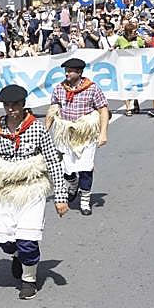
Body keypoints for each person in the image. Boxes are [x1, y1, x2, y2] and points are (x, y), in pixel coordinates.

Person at [0, 84, 69, 299]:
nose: (11, 109)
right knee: (3, 239)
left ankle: (29, 280)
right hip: (5, 189)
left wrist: (60, 197)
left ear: (23, 105)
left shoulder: (37, 129)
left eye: (15, 104)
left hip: (31, 188)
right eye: (7, 105)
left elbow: (53, 162)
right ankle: (17, 255)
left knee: (27, 238)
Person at [45, 58, 109, 216]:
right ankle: (73, 185)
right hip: (66, 133)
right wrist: (44, 132)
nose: (67, 73)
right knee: (65, 169)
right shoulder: (60, 88)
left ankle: (85, 200)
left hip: (85, 134)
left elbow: (103, 110)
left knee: (86, 168)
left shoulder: (92, 88)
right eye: (66, 70)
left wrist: (103, 133)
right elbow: (53, 109)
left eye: (70, 70)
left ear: (79, 72)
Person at [113, 22, 144, 115]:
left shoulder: (138, 39)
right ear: (128, 32)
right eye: (134, 31)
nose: (135, 32)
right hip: (124, 66)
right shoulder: (120, 39)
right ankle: (128, 108)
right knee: (125, 86)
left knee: (135, 86)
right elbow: (113, 48)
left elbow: (145, 49)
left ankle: (136, 103)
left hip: (136, 66)